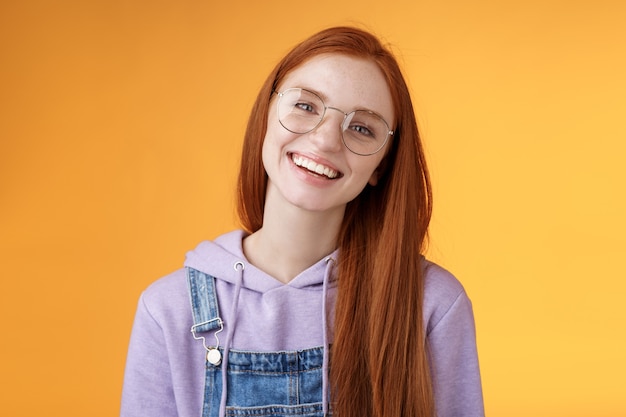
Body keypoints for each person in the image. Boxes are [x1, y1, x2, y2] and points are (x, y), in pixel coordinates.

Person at [121, 26, 484, 417]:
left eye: (362, 128)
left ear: (381, 166)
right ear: (267, 115)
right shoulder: (169, 310)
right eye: (306, 106)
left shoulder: (431, 305)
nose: (326, 140)